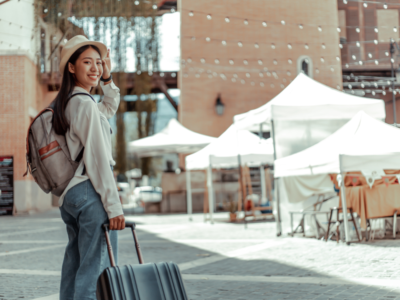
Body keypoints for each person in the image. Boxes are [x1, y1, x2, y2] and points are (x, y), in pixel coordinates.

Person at [51, 35, 125, 300]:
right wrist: (114, 206)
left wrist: (107, 80)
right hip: (89, 193)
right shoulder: (84, 104)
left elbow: (109, 106)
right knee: (95, 272)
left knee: (75, 267)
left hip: (70, 196)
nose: (95, 68)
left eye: (98, 63)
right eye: (87, 62)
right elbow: (97, 160)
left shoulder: (71, 102)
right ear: (71, 67)